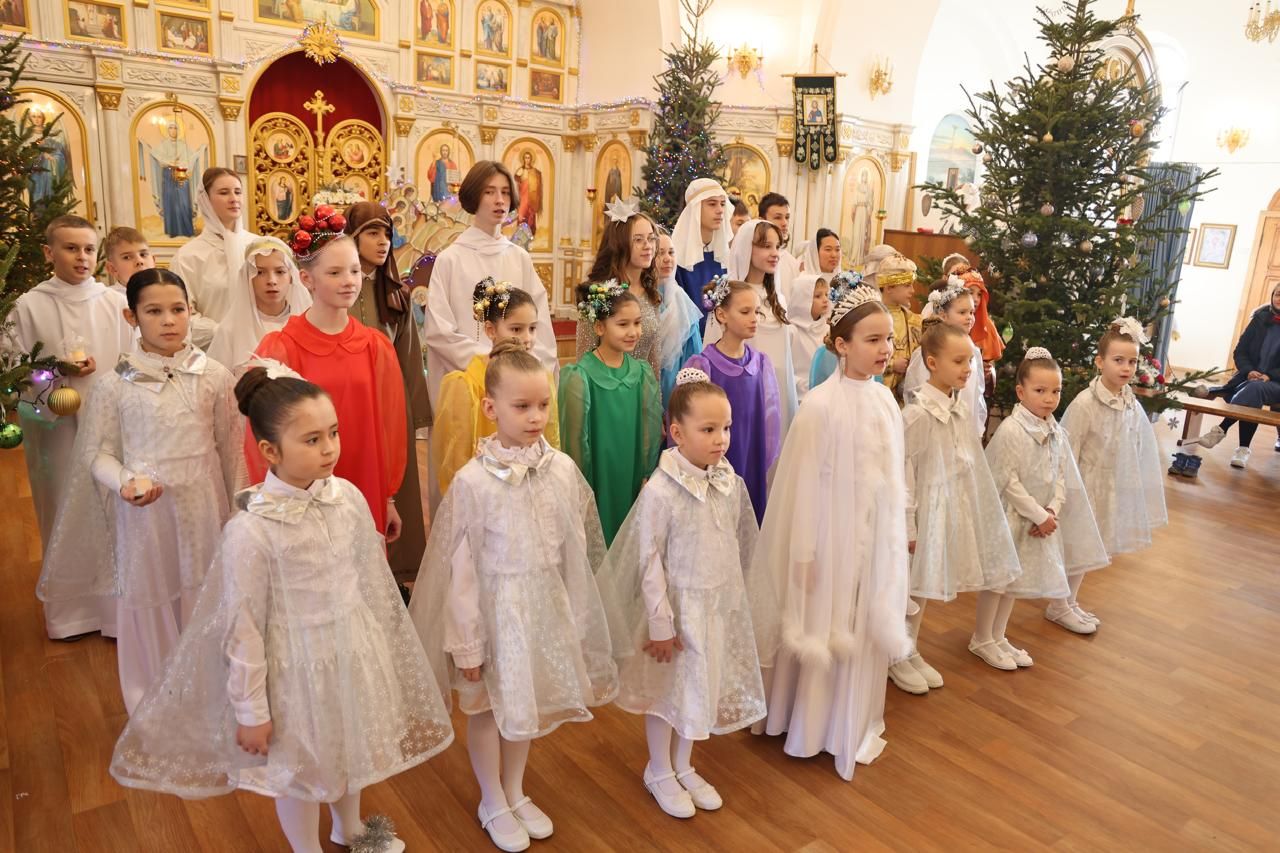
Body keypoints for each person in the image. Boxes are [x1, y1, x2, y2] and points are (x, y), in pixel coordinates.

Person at [109, 365, 454, 853]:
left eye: (333, 433)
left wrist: (382, 649)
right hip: (295, 667)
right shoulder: (252, 530)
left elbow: (367, 575)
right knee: (301, 769)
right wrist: (252, 711)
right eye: (312, 439)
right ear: (270, 451)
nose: (329, 448)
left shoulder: (348, 499)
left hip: (351, 648)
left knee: (348, 746)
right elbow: (243, 626)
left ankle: (350, 828)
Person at [411, 340, 617, 852]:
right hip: (492, 613)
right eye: (521, 406)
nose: (535, 417)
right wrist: (467, 645)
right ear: (491, 407)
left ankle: (515, 788)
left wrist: (574, 614)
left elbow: (574, 550)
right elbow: (460, 571)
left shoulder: (562, 470)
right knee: (486, 708)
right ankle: (491, 798)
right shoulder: (473, 483)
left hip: (541, 608)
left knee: (524, 703)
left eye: (542, 405)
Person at [38, 269, 241, 712]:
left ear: (191, 312)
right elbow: (99, 454)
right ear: (131, 317)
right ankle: (155, 695)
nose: (168, 320)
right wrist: (124, 482)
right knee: (153, 592)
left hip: (203, 509)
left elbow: (232, 451)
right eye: (154, 311)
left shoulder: (215, 377)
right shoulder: (115, 385)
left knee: (203, 590)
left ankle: (209, 691)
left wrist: (236, 515)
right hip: (146, 514)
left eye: (178, 309)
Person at [596, 368, 777, 819]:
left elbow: (735, 544)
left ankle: (683, 764)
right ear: (677, 433)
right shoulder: (662, 491)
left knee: (700, 688)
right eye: (709, 429)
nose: (721, 439)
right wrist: (661, 623)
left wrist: (734, 603)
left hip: (715, 607)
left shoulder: (728, 482)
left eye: (726, 428)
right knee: (668, 693)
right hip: (677, 612)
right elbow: (648, 559)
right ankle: (658, 768)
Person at [753, 281, 912, 781]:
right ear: (842, 344)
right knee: (825, 624)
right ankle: (810, 725)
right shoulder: (820, 407)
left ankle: (851, 719)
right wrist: (804, 553)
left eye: (888, 339)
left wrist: (899, 528)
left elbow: (894, 476)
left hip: (872, 537)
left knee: (861, 621)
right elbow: (801, 487)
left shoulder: (885, 400)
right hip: (828, 538)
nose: (885, 349)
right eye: (872, 339)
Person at [249, 209, 408, 558]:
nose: (348, 281)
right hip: (303, 487)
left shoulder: (375, 346)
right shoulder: (281, 348)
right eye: (334, 273)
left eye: (354, 270)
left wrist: (388, 497)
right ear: (306, 279)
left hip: (365, 478)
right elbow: (261, 434)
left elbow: (391, 424)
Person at [7, 216, 134, 641]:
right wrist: (54, 375)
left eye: (89, 249)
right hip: (55, 427)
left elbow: (133, 359)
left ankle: (114, 613)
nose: (82, 257)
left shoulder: (114, 303)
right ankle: (71, 614)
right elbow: (13, 365)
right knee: (62, 504)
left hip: (108, 424)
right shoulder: (29, 306)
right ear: (49, 253)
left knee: (109, 507)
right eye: (71, 248)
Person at [895, 323, 1021, 693]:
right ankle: (895, 653)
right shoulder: (917, 415)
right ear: (932, 362)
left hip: (946, 507)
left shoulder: (959, 409)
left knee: (924, 583)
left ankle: (910, 647)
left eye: (970, 361)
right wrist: (909, 526)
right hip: (921, 513)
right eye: (959, 361)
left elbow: (966, 461)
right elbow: (903, 473)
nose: (968, 368)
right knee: (908, 584)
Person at [986, 347, 1110, 655]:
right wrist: (1038, 515)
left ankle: (998, 636)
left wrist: (1053, 508)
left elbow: (1062, 473)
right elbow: (1007, 480)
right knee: (1000, 580)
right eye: (1040, 391)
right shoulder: (1012, 430)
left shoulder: (1055, 430)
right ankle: (983, 637)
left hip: (1041, 517)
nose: (1049, 398)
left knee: (1014, 581)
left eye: (1055, 391)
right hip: (1015, 517)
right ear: (1021, 391)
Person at [1058, 318, 1166, 630]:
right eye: (1118, 360)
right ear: (1099, 362)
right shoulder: (1086, 403)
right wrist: (1067, 492)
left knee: (1091, 547)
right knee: (1077, 547)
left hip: (1108, 486)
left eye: (1132, 361)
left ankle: (1070, 601)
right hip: (1084, 487)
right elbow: (1066, 449)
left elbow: (1135, 442)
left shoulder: (1128, 399)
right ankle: (1059, 604)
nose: (1126, 368)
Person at [424, 160, 557, 410]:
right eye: (489, 192)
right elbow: (439, 331)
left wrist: (530, 371)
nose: (500, 200)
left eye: (505, 192)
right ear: (474, 195)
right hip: (468, 383)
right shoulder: (450, 260)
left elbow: (540, 325)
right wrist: (488, 362)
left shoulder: (519, 258)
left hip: (518, 385)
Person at [345, 202, 431, 582]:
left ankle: (396, 574)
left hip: (389, 406)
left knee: (396, 489)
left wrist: (414, 413)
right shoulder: (339, 289)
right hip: (348, 405)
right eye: (372, 233)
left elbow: (409, 356)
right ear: (352, 238)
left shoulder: (398, 296)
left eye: (386, 233)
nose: (383, 242)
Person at [560, 281, 663, 546]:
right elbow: (575, 439)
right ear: (599, 327)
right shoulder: (580, 376)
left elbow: (649, 427)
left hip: (631, 471)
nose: (633, 332)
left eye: (637, 323)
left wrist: (647, 471)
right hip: (599, 474)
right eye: (623, 324)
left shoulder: (641, 372)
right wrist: (581, 487)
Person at [433, 281, 560, 495]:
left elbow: (551, 436)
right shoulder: (466, 385)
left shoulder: (542, 377)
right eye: (516, 329)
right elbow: (456, 456)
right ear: (491, 330)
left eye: (532, 328)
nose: (527, 339)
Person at [683, 278, 782, 524]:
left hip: (752, 457)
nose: (754, 318)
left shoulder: (761, 364)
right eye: (745, 312)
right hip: (715, 462)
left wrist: (761, 459)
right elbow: (686, 423)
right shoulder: (703, 365)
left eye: (757, 312)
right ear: (721, 315)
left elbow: (770, 422)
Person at [709, 219, 799, 436]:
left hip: (778, 389)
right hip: (744, 388)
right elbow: (714, 349)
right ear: (746, 248)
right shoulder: (729, 296)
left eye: (777, 246)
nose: (775, 253)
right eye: (766, 246)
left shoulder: (778, 299)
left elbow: (786, 358)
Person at [1182, 281, 1280, 469]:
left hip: (1276, 383)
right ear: (1272, 296)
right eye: (1278, 294)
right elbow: (1240, 351)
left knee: (1253, 389)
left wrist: (1269, 375)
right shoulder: (1259, 319)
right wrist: (1249, 370)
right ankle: (1242, 451)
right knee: (1253, 391)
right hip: (1251, 379)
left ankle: (1221, 429)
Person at [169, 168, 255, 349]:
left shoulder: (258, 247)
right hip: (212, 352)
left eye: (238, 192)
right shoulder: (188, 256)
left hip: (262, 348)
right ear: (205, 200)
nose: (234, 198)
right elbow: (180, 314)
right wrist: (222, 332)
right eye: (224, 193)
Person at [576, 203, 661, 379]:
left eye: (651, 238)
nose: (648, 246)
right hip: (606, 386)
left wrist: (655, 391)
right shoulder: (600, 295)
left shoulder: (651, 292)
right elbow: (584, 356)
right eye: (638, 240)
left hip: (642, 386)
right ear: (619, 244)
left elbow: (653, 356)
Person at [208, 236, 311, 369]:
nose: (271, 280)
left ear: (291, 277)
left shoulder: (310, 324)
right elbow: (217, 377)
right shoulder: (230, 330)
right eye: (260, 272)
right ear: (248, 278)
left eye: (280, 272)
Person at [902, 278, 986, 438]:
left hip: (964, 425)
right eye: (962, 312)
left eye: (971, 312)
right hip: (934, 427)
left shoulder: (974, 352)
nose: (969, 317)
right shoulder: (928, 351)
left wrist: (976, 429)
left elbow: (977, 393)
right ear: (943, 315)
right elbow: (916, 391)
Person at [671, 178, 731, 332]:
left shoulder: (723, 256)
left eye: (722, 204)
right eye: (712, 204)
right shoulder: (677, 258)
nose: (720, 210)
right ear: (695, 209)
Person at [653, 227, 703, 406]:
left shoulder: (681, 299)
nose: (667, 259)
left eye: (671, 252)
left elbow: (693, 352)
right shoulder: (639, 297)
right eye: (660, 253)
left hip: (675, 387)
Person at [876, 253, 923, 400]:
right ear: (889, 287)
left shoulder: (915, 321)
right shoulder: (871, 318)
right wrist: (891, 365)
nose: (912, 291)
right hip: (878, 392)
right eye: (907, 285)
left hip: (906, 396)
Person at [786, 272, 830, 398]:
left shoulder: (827, 329)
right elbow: (786, 372)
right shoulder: (791, 332)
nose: (825, 299)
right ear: (802, 300)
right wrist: (807, 385)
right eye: (818, 296)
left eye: (826, 294)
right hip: (800, 396)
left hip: (826, 394)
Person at [757, 192, 800, 290]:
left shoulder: (792, 263)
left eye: (787, 217)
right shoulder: (753, 256)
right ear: (761, 220)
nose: (785, 223)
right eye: (778, 217)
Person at [103, 226, 155, 295]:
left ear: (153, 261)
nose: (139, 261)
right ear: (112, 269)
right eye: (127, 257)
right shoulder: (108, 298)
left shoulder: (166, 292)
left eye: (143, 254)